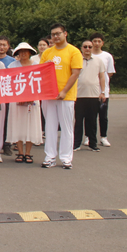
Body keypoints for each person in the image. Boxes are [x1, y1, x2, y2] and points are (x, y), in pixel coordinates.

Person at [40, 23, 82, 169]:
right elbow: (40, 72)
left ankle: (66, 158)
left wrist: (64, 91)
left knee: (66, 128)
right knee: (50, 127)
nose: (56, 36)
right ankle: (50, 157)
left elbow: (75, 73)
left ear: (65, 34)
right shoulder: (47, 53)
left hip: (66, 96)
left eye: (58, 33)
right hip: (49, 95)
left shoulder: (74, 51)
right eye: (53, 34)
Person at [6, 43, 43, 164]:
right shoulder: (12, 66)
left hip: (32, 100)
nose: (23, 54)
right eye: (21, 51)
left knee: (31, 125)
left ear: (30, 52)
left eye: (25, 51)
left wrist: (32, 97)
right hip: (16, 100)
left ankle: (28, 153)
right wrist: (18, 97)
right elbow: (9, 83)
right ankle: (20, 152)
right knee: (18, 125)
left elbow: (39, 83)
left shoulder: (36, 66)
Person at [73, 40, 106, 152]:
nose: (87, 49)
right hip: (79, 95)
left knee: (92, 121)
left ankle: (93, 144)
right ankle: (76, 144)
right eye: (85, 47)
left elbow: (102, 77)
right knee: (78, 121)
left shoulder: (98, 60)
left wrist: (103, 92)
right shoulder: (77, 59)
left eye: (90, 47)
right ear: (81, 48)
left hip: (93, 95)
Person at [90, 32, 115, 147]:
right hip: (90, 91)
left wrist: (103, 86)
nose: (96, 43)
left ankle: (103, 137)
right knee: (91, 116)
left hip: (103, 91)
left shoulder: (107, 56)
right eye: (94, 41)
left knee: (103, 116)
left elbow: (109, 73)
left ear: (102, 43)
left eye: (99, 41)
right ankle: (89, 136)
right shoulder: (87, 55)